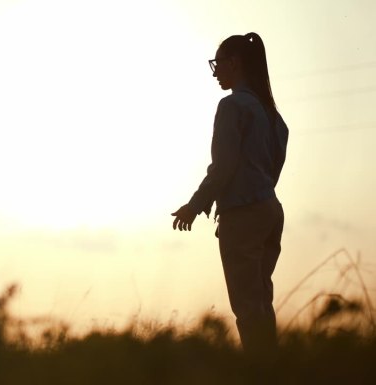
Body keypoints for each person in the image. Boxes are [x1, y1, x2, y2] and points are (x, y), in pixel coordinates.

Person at [171, 32, 289, 354]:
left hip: (244, 215)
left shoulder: (232, 106)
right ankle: (274, 370)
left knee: (248, 307)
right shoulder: (272, 115)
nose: (215, 71)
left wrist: (194, 206)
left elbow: (223, 167)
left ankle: (259, 373)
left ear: (234, 63)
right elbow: (273, 168)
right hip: (270, 210)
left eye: (218, 63)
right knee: (262, 301)